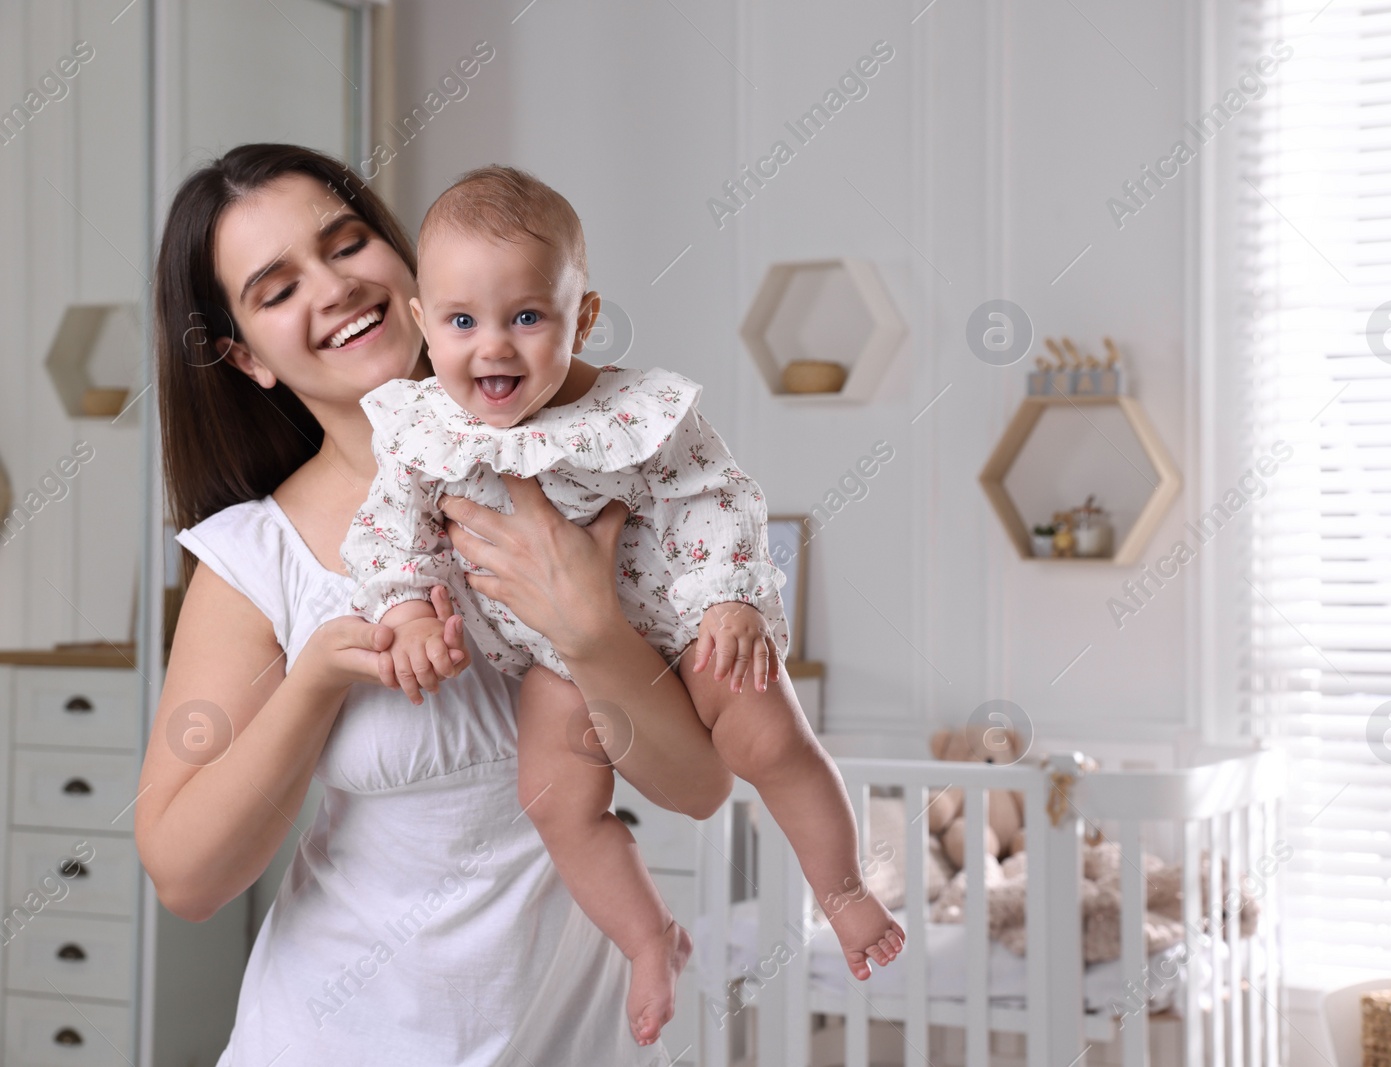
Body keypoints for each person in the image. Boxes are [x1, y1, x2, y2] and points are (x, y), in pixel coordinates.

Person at [134, 143, 732, 1065]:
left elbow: (697, 788)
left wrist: (589, 628)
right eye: (276, 288)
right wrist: (316, 679)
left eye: (345, 244)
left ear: (408, 267)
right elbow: (185, 875)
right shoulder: (258, 556)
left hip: (580, 1041)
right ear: (243, 356)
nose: (332, 288)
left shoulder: (599, 481)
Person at [340, 165, 905, 1044]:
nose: (493, 347)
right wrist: (408, 611)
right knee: (557, 799)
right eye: (461, 321)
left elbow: (715, 495)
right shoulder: (422, 432)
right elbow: (388, 533)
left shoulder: (632, 413)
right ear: (422, 322)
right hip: (555, 664)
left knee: (768, 738)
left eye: (527, 317)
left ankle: (841, 889)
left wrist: (728, 600)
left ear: (583, 317)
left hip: (685, 624)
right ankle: (647, 938)